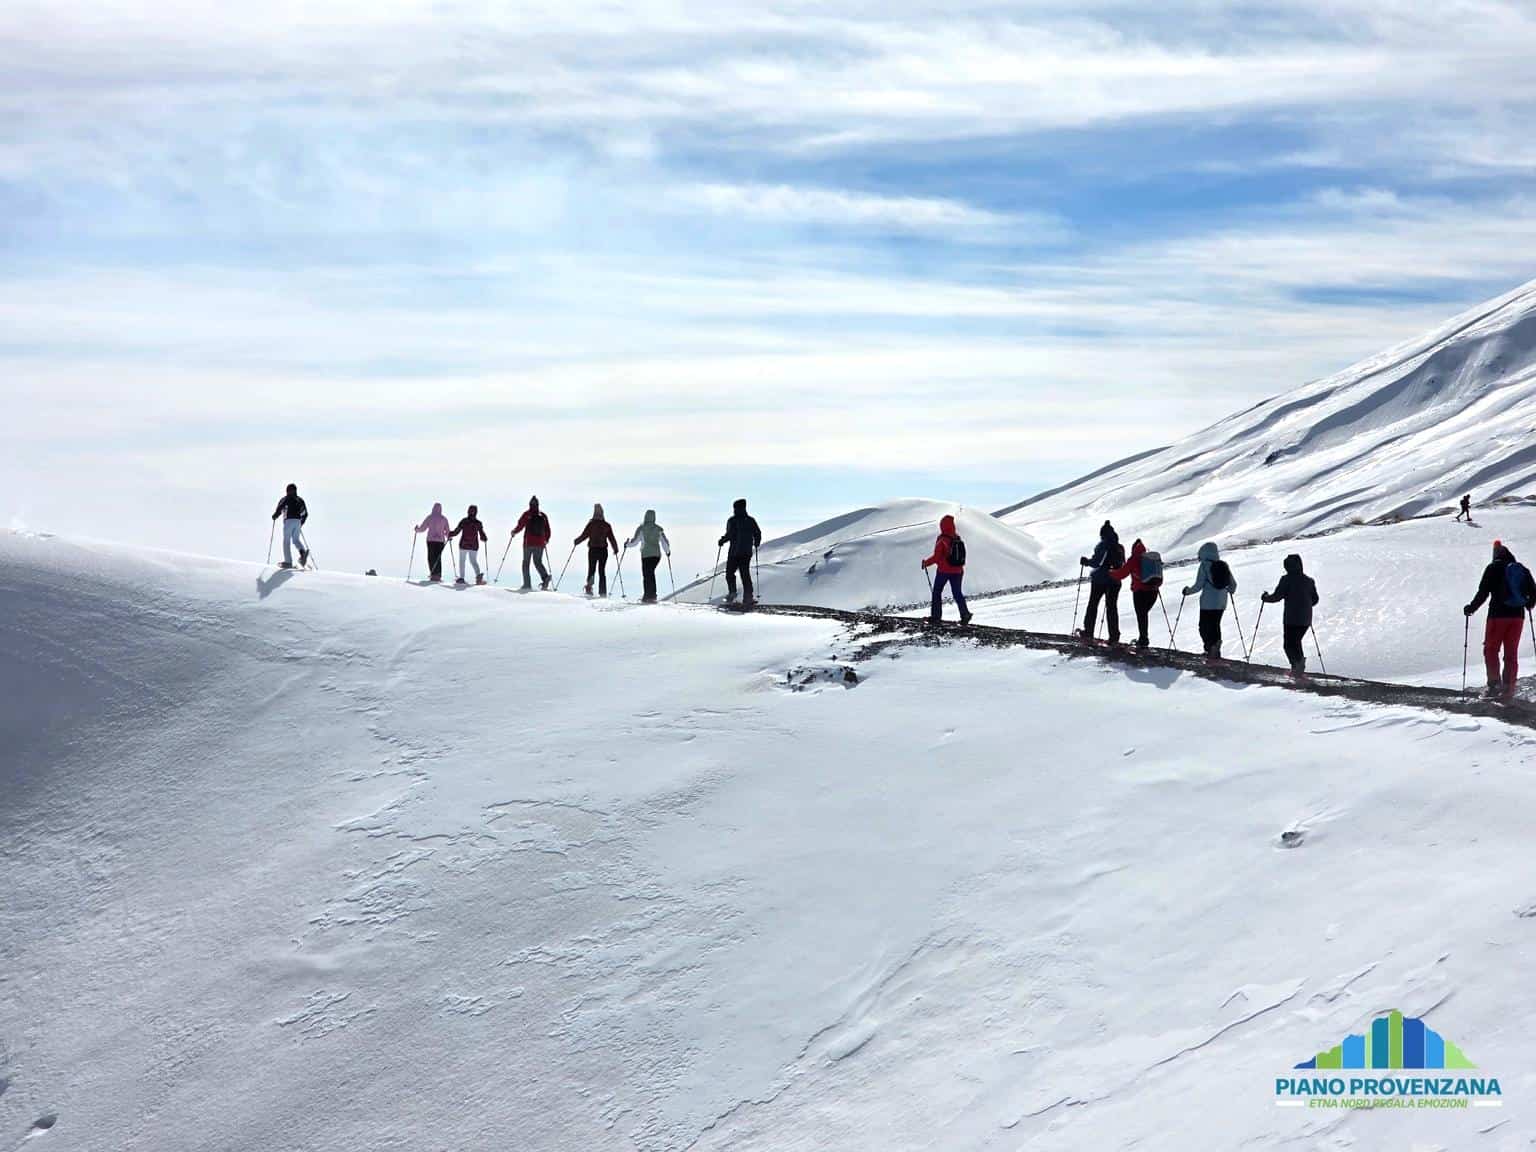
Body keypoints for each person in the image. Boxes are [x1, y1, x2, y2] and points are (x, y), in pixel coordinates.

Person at [1464, 539, 1536, 697]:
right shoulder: (1521, 569)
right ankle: (1509, 687)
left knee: (1491, 649)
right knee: (1511, 652)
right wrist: (1529, 604)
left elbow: (1483, 593)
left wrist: (1471, 608)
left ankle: (1494, 685)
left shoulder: (1493, 568)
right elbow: (1533, 592)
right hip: (1518, 618)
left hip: (1497, 616)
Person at [1260, 554, 1319, 677]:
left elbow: (1277, 597)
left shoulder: (1286, 580)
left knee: (1289, 644)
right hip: (1305, 618)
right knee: (1296, 642)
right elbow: (1315, 600)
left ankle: (1296, 668)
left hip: (1291, 618)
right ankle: (1299, 666)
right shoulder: (1309, 581)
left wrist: (1265, 598)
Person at [1182, 541, 1236, 659]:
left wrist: (1187, 591)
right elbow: (1233, 586)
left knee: (1203, 626)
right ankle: (1215, 648)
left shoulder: (1205, 566)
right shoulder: (1223, 565)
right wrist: (1228, 591)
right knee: (1215, 625)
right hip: (1221, 603)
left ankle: (1209, 648)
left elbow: (1198, 585)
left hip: (1207, 603)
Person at [1109, 538, 1161, 648]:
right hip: (1153, 591)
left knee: (1141, 615)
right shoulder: (1150, 558)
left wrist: (1110, 572)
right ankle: (1143, 638)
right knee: (1144, 614)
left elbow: (1121, 574)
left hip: (1140, 591)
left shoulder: (1133, 559)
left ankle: (1143, 640)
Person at [1079, 521, 1126, 644]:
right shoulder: (1120, 547)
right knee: (1111, 608)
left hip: (1100, 580)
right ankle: (1114, 636)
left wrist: (1086, 561)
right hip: (1115, 581)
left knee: (1093, 604)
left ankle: (1088, 632)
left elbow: (1096, 563)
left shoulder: (1103, 545)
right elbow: (1123, 564)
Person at [921, 514, 972, 625]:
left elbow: (936, 557)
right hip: (958, 571)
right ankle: (965, 614)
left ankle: (936, 616)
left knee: (937, 592)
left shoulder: (942, 539)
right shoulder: (957, 537)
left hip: (944, 571)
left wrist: (926, 563)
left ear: (942, 526)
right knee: (957, 593)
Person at [718, 498, 762, 606]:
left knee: (729, 573)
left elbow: (730, 534)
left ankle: (732, 593)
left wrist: (722, 541)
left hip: (734, 552)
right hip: (746, 552)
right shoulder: (750, 520)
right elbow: (757, 533)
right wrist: (756, 543)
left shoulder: (732, 520)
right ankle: (748, 598)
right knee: (745, 574)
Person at [574, 503, 620, 597]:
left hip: (593, 549)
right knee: (602, 571)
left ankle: (589, 588)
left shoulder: (591, 524)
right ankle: (602, 592)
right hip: (603, 550)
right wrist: (615, 548)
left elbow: (584, 535)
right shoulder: (606, 525)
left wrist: (577, 541)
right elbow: (611, 538)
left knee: (592, 569)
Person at [627, 509, 671, 603]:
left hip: (646, 555)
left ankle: (648, 595)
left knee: (647, 574)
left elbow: (635, 542)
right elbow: (664, 542)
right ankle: (652, 595)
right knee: (650, 573)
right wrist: (667, 552)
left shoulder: (641, 528)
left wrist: (627, 545)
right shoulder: (659, 529)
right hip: (656, 556)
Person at [510, 496, 552, 590]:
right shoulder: (543, 515)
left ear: (530, 504)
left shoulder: (527, 514)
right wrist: (546, 540)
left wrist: (514, 532)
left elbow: (520, 525)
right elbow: (548, 530)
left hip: (528, 543)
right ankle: (545, 577)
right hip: (540, 543)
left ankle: (527, 584)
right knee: (538, 562)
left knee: (526, 563)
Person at [271, 483, 309, 569]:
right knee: (296, 540)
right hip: (298, 521)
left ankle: (288, 562)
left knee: (286, 541)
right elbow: (305, 514)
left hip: (288, 521)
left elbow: (281, 507)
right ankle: (303, 554)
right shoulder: (300, 500)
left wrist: (275, 516)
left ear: (287, 491)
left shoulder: (286, 499)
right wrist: (300, 523)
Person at [450, 504, 489, 585]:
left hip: (463, 544)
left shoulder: (464, 521)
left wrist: (450, 534)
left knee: (462, 561)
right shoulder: (478, 523)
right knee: (473, 561)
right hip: (474, 545)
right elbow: (482, 534)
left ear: (468, 511)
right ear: (476, 512)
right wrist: (484, 538)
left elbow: (457, 531)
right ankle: (478, 578)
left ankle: (461, 578)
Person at [414, 502, 451, 582]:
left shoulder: (430, 517)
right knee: (438, 557)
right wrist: (448, 536)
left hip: (431, 540)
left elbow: (423, 528)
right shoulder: (444, 519)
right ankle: (438, 575)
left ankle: (433, 574)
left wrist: (417, 530)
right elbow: (447, 531)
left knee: (431, 557)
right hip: (440, 541)